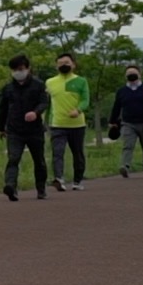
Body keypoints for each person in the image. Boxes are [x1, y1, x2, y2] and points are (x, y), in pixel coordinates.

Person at [0, 54, 50, 199]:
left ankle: (41, 188)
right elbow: (3, 109)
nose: (17, 73)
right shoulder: (8, 88)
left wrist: (35, 113)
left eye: (20, 69)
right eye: (14, 70)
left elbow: (44, 102)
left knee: (39, 160)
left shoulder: (38, 85)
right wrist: (1, 127)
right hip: (14, 130)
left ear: (27, 68)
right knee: (13, 158)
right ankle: (10, 186)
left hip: (35, 130)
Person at [46, 52, 91, 191]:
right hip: (57, 124)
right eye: (60, 63)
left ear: (73, 64)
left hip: (77, 125)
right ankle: (59, 178)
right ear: (56, 66)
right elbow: (46, 103)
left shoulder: (81, 81)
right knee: (57, 152)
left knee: (78, 153)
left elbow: (85, 100)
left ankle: (78, 180)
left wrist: (78, 110)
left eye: (66, 63)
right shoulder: (50, 82)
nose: (63, 65)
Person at [108, 65, 143, 178]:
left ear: (139, 75)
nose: (131, 75)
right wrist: (112, 121)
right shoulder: (122, 91)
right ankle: (125, 166)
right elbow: (116, 106)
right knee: (128, 145)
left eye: (133, 73)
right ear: (125, 76)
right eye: (128, 73)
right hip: (128, 123)